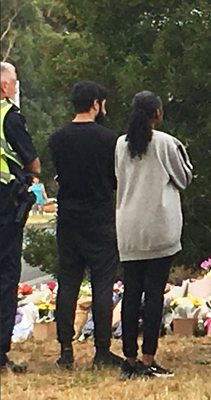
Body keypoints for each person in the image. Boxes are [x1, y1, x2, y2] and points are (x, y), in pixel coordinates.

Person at [117, 91, 193, 379]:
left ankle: (129, 359)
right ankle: (149, 357)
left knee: (131, 294)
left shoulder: (120, 145)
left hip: (129, 227)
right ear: (157, 114)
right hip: (159, 226)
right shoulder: (165, 143)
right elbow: (184, 178)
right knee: (153, 296)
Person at [48, 81, 123, 368]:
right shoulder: (108, 139)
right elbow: (114, 178)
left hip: (69, 215)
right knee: (102, 283)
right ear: (95, 104)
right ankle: (101, 350)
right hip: (100, 215)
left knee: (68, 282)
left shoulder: (58, 137)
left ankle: (66, 350)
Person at [0, 61, 40, 373]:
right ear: (4, 86)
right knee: (6, 273)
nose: (16, 86)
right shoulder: (9, 116)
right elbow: (34, 163)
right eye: (14, 82)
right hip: (3, 203)